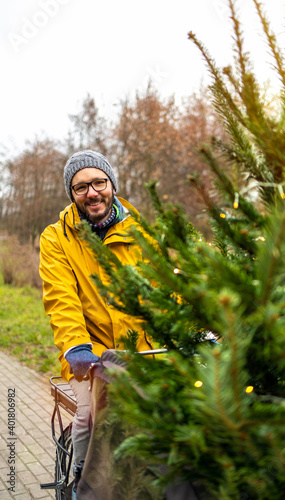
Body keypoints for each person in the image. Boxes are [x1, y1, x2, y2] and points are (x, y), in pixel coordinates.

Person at [39, 149, 153, 495]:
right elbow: (62, 300)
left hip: (143, 352)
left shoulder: (140, 233)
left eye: (99, 182)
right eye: (80, 187)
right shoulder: (56, 238)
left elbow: (163, 290)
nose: (92, 192)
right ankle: (80, 484)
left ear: (112, 185)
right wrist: (76, 348)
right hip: (90, 356)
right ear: (72, 195)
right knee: (90, 416)